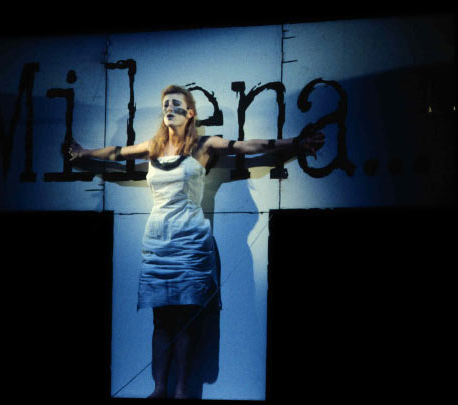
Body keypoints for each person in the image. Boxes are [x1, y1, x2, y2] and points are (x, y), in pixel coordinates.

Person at [69, 84, 324, 399]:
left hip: (190, 240)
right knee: (160, 318)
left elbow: (248, 146)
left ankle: (181, 389)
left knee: (185, 319)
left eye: (175, 103)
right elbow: (116, 153)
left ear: (190, 113)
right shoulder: (153, 147)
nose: (169, 108)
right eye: (165, 104)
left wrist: (295, 142)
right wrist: (84, 153)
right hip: (158, 241)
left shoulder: (204, 145)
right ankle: (159, 388)